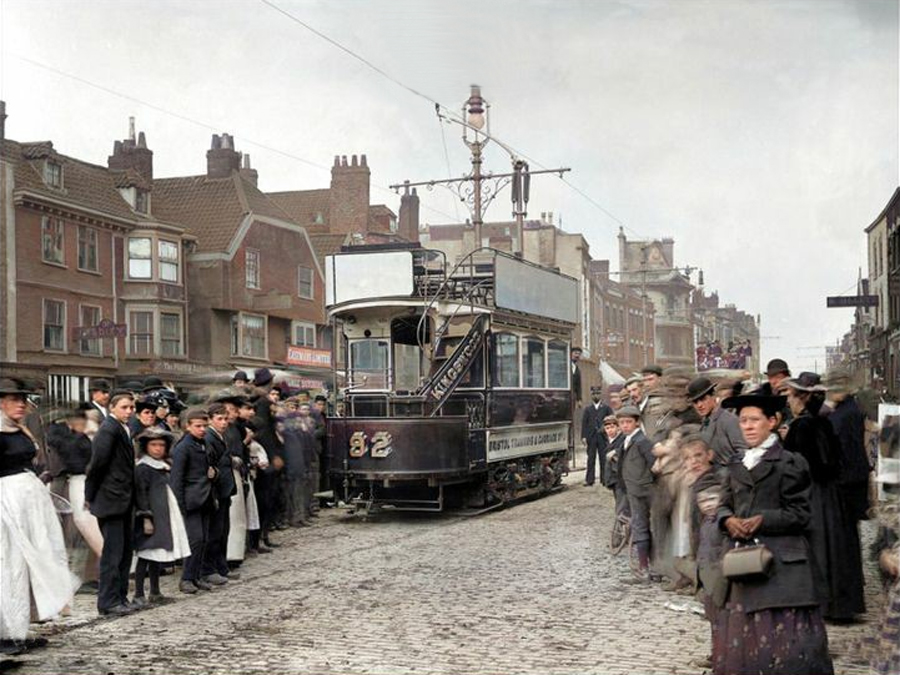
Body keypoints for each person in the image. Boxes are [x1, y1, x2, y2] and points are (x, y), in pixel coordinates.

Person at [715, 392, 834, 675]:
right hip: (744, 565)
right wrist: (727, 520)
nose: (748, 426)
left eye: (755, 420)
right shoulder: (735, 465)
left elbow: (802, 514)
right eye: (743, 421)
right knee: (747, 643)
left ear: (772, 421)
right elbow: (722, 505)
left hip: (782, 568)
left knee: (784, 645)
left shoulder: (790, 463)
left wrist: (763, 519)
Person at [0, 378, 78, 654]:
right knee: (10, 565)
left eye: (24, 399)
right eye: (14, 399)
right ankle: (6, 633)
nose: (22, 404)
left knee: (34, 561)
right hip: (7, 503)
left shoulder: (20, 430)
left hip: (29, 502)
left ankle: (20, 628)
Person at [782, 371, 865, 621]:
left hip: (814, 493)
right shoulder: (823, 421)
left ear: (803, 398)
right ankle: (840, 603)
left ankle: (822, 603)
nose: (787, 401)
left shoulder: (803, 425)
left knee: (819, 547)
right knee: (836, 547)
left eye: (791, 396)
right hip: (831, 495)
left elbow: (803, 465)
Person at [84, 391, 137, 616]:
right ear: (113, 407)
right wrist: (90, 495)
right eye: (124, 407)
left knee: (125, 552)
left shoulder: (122, 429)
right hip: (110, 499)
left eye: (131, 408)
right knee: (113, 553)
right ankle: (107, 602)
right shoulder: (108, 429)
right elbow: (97, 465)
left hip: (123, 498)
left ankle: (121, 597)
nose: (129, 411)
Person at [132, 428, 190, 607]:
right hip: (151, 516)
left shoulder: (163, 466)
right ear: (145, 447)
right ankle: (139, 593)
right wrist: (146, 517)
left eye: (161, 445)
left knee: (158, 554)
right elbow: (140, 494)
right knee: (146, 553)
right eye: (153, 445)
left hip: (164, 514)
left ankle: (155, 592)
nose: (158, 449)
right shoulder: (143, 468)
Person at [169, 409, 217, 594]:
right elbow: (176, 479)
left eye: (205, 426)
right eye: (198, 426)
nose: (202, 429)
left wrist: (214, 474)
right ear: (187, 426)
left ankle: (197, 576)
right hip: (190, 501)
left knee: (203, 539)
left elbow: (211, 468)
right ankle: (187, 578)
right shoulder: (183, 447)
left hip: (205, 498)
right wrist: (179, 506)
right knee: (195, 540)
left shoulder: (204, 444)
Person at [824, 367, 871, 522]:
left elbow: (841, 448)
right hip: (854, 478)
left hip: (847, 481)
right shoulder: (850, 408)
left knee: (845, 528)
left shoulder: (842, 415)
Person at [617, 405, 656, 582]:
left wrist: (646, 485)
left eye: (628, 422)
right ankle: (646, 567)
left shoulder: (642, 442)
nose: (625, 426)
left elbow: (654, 466)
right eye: (622, 422)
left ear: (637, 422)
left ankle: (645, 569)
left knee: (641, 527)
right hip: (632, 490)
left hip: (643, 493)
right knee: (639, 527)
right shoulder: (627, 441)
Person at [202, 402, 237, 585]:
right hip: (216, 491)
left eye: (225, 419)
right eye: (219, 419)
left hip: (225, 490)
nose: (224, 423)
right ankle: (209, 569)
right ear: (210, 420)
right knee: (214, 532)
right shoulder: (209, 438)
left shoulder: (221, 436)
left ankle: (221, 566)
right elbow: (210, 465)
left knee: (223, 531)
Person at [687, 376, 747, 466]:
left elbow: (743, 452)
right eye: (695, 402)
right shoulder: (705, 423)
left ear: (713, 397)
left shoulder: (728, 420)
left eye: (703, 399)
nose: (699, 405)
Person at [581, 386, 613, 486]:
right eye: (594, 394)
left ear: (601, 394)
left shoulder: (606, 408)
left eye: (598, 393)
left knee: (603, 459)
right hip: (591, 437)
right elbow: (584, 424)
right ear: (591, 395)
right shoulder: (588, 409)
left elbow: (611, 420)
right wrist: (583, 437)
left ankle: (605, 479)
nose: (596, 395)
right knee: (591, 459)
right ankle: (589, 480)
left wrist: (606, 431)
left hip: (602, 437)